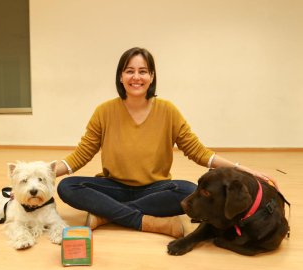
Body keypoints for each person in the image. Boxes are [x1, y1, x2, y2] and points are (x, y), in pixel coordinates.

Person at [55, 47, 276, 238]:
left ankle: (106, 215)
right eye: (129, 71)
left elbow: (199, 153)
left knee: (187, 190)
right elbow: (80, 156)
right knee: (67, 186)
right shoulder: (104, 111)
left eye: (143, 71)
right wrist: (36, 171)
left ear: (151, 76)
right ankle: (145, 222)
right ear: (120, 77)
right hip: (114, 187)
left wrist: (243, 170)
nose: (136, 77)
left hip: (155, 190)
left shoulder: (168, 110)